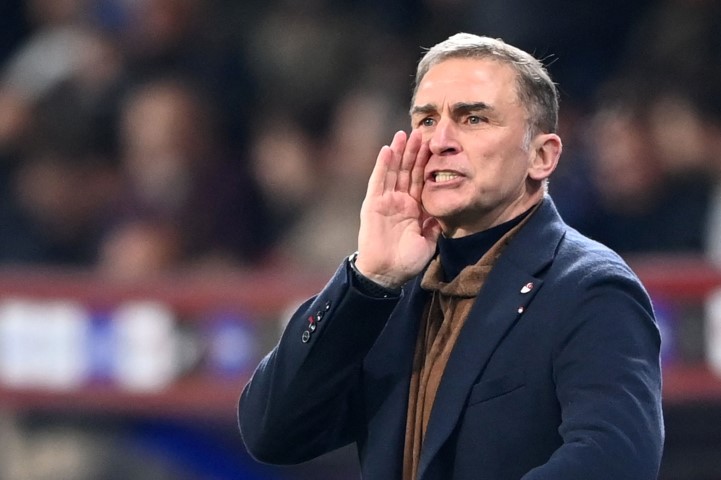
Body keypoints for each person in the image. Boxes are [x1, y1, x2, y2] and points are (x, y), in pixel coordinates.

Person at [238, 33, 664, 480]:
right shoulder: (390, 294)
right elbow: (272, 431)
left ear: (541, 156)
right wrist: (367, 281)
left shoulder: (591, 289)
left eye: (473, 118)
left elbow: (613, 459)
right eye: (426, 120)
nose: (440, 140)